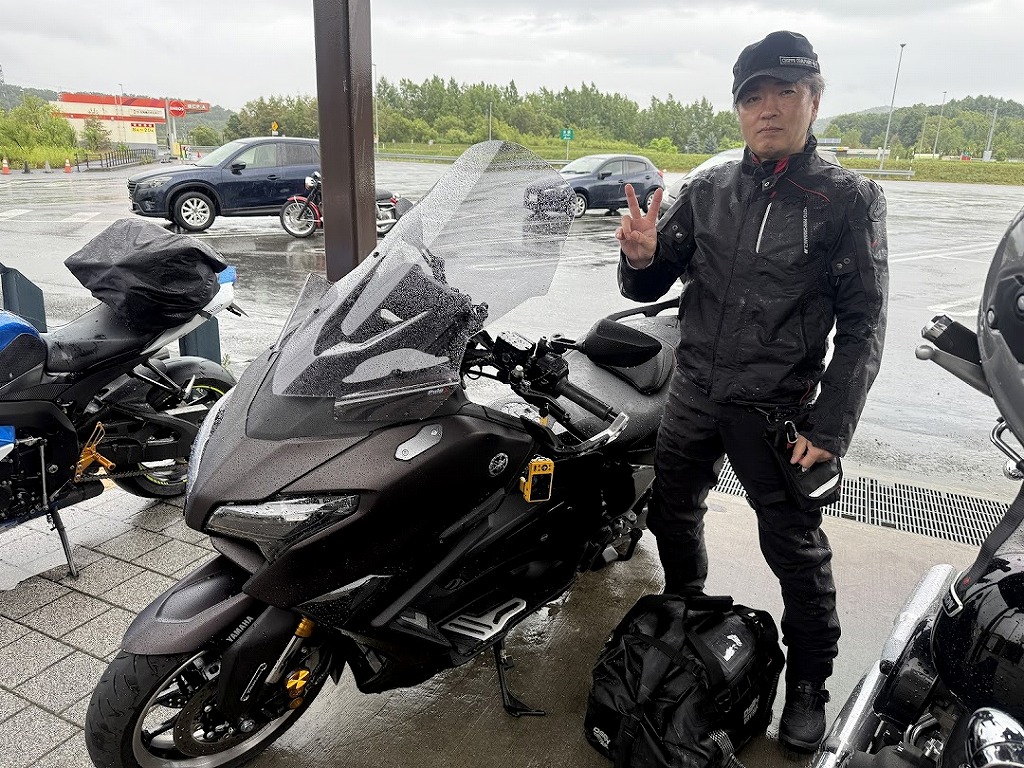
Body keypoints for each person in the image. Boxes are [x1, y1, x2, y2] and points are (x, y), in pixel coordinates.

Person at [615, 30, 888, 753]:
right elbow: (654, 277)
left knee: (794, 549)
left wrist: (829, 429)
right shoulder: (709, 190)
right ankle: (687, 624)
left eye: (784, 93)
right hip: (694, 393)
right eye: (753, 97)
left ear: (814, 101)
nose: (768, 109)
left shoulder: (847, 199)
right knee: (672, 513)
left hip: (777, 410)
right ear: (738, 109)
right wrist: (639, 259)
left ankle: (809, 684)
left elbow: (864, 325)